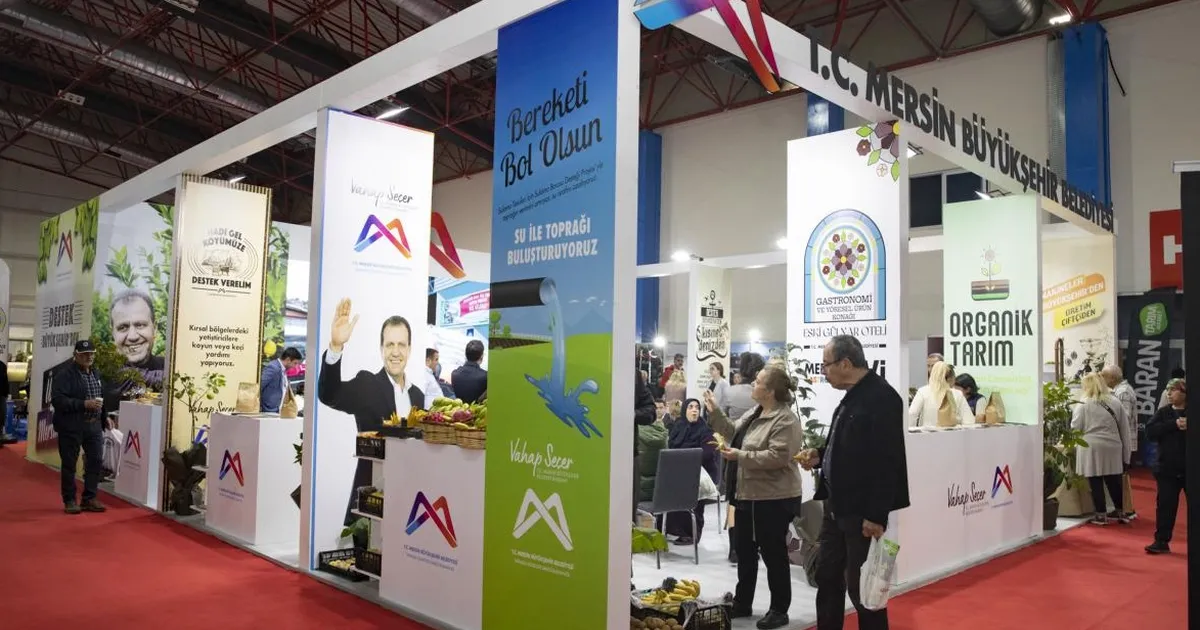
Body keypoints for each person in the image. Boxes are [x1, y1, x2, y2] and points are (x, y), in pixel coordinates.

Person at [797, 335, 909, 630]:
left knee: (864, 590)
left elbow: (887, 462)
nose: (823, 371)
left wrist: (876, 515)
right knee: (827, 578)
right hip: (836, 506)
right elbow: (849, 447)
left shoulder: (882, 398)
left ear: (845, 363)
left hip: (861, 512)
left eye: (826, 365)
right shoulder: (852, 395)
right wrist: (820, 455)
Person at [704, 366, 803, 630]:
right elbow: (731, 432)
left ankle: (779, 609)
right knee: (744, 550)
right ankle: (742, 602)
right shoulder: (755, 412)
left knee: (773, 554)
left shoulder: (786, 420)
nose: (752, 385)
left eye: (757, 382)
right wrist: (714, 411)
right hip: (746, 494)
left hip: (773, 498)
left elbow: (778, 457)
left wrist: (740, 456)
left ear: (770, 391)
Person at [316, 299, 424, 524]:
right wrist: (335, 347)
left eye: (401, 345)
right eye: (390, 344)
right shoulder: (367, 384)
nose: (396, 352)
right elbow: (330, 395)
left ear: (410, 349)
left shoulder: (419, 397)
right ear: (381, 349)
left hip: (409, 501)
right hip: (372, 501)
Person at [51, 340, 108, 514]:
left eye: (91, 353)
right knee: (69, 464)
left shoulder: (96, 373)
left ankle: (89, 498)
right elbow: (58, 400)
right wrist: (83, 404)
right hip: (71, 426)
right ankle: (69, 500)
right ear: (75, 355)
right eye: (84, 354)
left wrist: (105, 417)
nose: (89, 357)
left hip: (94, 425)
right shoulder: (64, 375)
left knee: (95, 461)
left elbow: (100, 396)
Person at [1072, 373, 1131, 526]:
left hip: (1091, 446)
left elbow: (1075, 426)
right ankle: (1121, 511)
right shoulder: (1115, 402)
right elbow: (1124, 428)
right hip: (1113, 445)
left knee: (1095, 481)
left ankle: (1101, 514)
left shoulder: (1083, 403)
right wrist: (1127, 455)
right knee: (1114, 480)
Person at [665, 398, 720, 545]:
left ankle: (691, 533)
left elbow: (707, 453)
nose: (694, 410)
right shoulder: (678, 427)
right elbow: (671, 446)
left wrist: (686, 456)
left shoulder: (706, 430)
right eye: (690, 407)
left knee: (689, 488)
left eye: (697, 407)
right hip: (680, 470)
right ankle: (672, 528)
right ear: (685, 410)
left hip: (700, 472)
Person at [1145, 378, 1186, 554]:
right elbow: (1150, 432)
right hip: (1167, 468)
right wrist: (1174, 425)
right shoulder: (1163, 412)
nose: (1168, 393)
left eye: (1173, 390)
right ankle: (1161, 541)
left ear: (1184, 393)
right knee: (1165, 506)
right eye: (1167, 390)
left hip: (1190, 469)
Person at [110, 290, 166, 389]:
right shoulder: (106, 373)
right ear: (113, 333)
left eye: (140, 325)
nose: (133, 337)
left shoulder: (165, 365)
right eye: (123, 327)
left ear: (155, 328)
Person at [909, 361, 973, 428]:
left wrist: (911, 431)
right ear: (950, 378)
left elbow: (912, 414)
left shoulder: (923, 391)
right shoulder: (957, 394)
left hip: (928, 433)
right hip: (953, 433)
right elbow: (969, 421)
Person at [632, 369, 657, 519]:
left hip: (627, 454)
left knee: (627, 511)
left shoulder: (631, 373)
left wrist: (633, 414)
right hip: (589, 450)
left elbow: (651, 411)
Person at [260, 347, 302, 413]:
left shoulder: (283, 370)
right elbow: (260, 386)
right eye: (295, 363)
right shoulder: (273, 368)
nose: (295, 366)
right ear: (288, 359)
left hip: (277, 410)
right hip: (269, 410)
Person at [451, 339, 487, 404]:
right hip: (477, 409)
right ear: (481, 356)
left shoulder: (454, 374)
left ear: (466, 354)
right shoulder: (486, 376)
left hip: (458, 409)